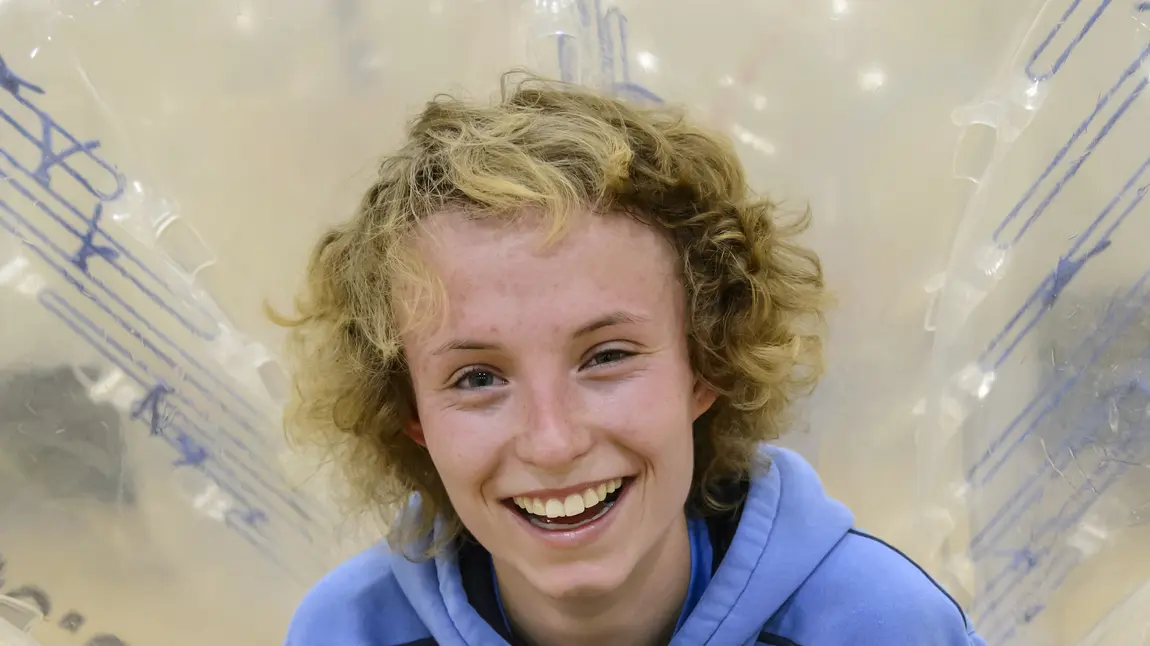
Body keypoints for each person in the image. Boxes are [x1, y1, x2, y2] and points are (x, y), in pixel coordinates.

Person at [277, 72, 987, 646]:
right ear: (411, 415)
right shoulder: (347, 632)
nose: (553, 443)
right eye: (477, 378)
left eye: (606, 357)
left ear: (706, 365)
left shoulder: (881, 626)